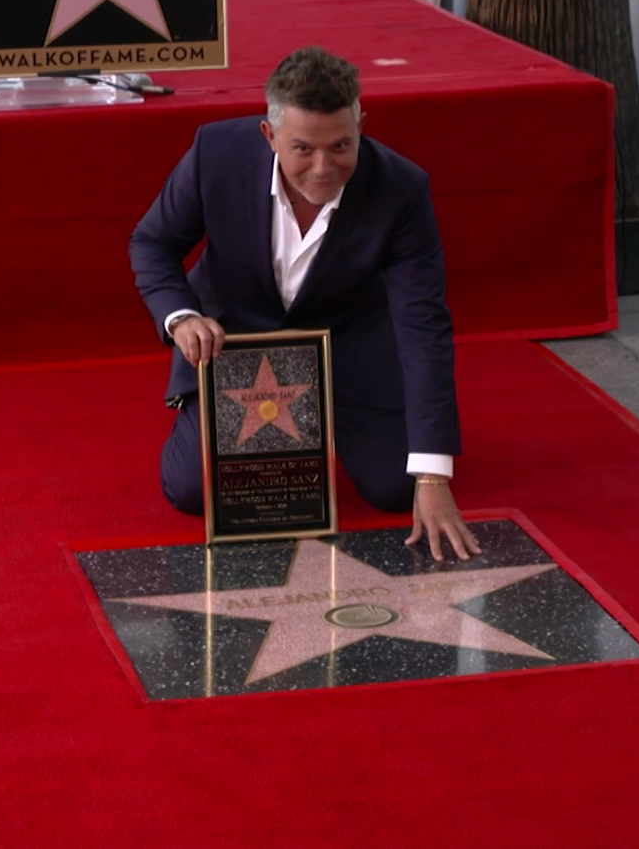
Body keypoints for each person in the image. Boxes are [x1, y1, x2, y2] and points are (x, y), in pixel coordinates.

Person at [129, 46, 481, 562]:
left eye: (341, 145)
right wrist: (181, 317)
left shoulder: (401, 188)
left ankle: (333, 427)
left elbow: (422, 325)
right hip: (235, 344)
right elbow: (152, 242)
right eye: (303, 149)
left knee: (393, 488)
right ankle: (215, 412)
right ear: (269, 135)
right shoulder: (214, 153)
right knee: (190, 493)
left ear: (361, 125)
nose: (323, 168)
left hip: (347, 344)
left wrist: (432, 475)